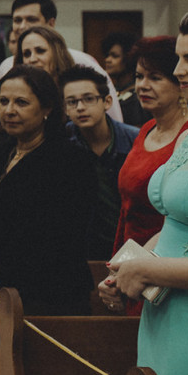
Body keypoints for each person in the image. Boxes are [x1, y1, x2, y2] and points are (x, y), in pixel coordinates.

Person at [101, 5, 188, 375]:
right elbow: (178, 224)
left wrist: (148, 268)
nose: (178, 70)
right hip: (164, 320)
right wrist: (131, 264)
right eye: (179, 58)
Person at [0, 66, 97, 344]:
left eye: (21, 102)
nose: (9, 110)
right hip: (1, 292)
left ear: (47, 109)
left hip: (51, 296)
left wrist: (7, 276)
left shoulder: (69, 161)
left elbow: (63, 237)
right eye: (4, 101)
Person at [99, 37, 188, 316]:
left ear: (179, 83)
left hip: (163, 268)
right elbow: (126, 209)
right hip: (130, 262)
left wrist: (135, 266)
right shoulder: (146, 130)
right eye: (139, 76)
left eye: (155, 77)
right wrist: (115, 269)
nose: (143, 85)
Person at [0, 0, 122, 121]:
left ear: (50, 23)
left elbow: (113, 120)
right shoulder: (7, 67)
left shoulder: (83, 62)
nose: (22, 26)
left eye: (31, 19)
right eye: (17, 20)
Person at [62, 65, 141, 260]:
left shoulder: (135, 140)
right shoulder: (61, 144)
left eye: (89, 99)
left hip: (131, 247)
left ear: (106, 102)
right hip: (81, 251)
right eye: (72, 102)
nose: (80, 107)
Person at [102, 31, 149, 127]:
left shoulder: (139, 95)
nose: (108, 60)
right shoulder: (110, 90)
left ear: (129, 58)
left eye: (114, 56)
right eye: (107, 55)